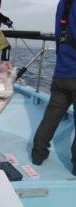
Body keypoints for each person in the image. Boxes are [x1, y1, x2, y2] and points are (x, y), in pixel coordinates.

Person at [31, 0, 76, 176]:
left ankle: (37, 155)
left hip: (61, 72)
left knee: (51, 118)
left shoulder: (62, 3)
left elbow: (61, 34)